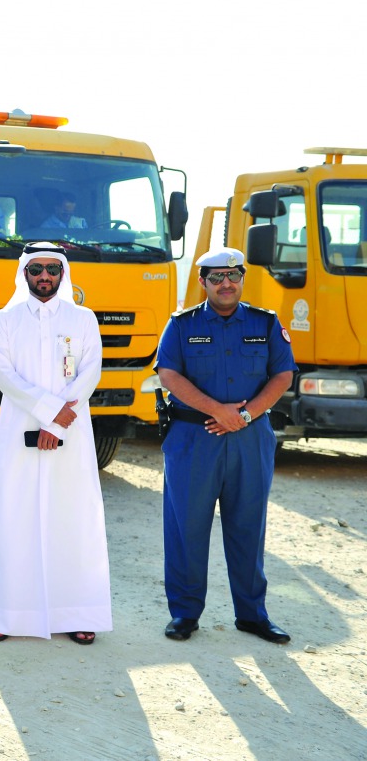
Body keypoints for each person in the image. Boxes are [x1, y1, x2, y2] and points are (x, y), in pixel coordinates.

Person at [155, 247, 297, 644]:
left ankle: (252, 615)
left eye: (232, 275)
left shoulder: (265, 323)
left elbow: (282, 375)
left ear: (242, 278)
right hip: (193, 439)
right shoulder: (181, 325)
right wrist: (219, 410)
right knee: (187, 527)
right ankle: (184, 614)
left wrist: (244, 415)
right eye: (216, 277)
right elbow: (169, 374)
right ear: (202, 282)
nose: (225, 284)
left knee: (248, 526)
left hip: (250, 438)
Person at [0, 244, 112, 645]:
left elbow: (91, 369)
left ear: (63, 273)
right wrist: (52, 413)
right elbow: (4, 375)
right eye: (37, 269)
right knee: (14, 515)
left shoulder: (83, 318)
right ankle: (6, 613)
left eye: (53, 269)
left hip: (73, 427)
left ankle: (78, 612)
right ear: (25, 273)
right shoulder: (5, 319)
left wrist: (60, 421)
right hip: (22, 426)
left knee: (73, 517)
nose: (45, 276)